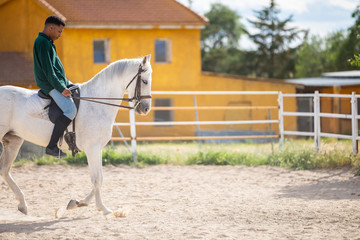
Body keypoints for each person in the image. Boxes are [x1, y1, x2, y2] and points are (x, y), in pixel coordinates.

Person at [33, 15, 77, 158]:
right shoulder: (42, 43)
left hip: (58, 81)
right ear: (50, 28)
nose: (60, 35)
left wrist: (65, 83)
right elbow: (48, 71)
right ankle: (51, 147)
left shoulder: (48, 42)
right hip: (49, 84)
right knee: (70, 110)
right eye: (59, 32)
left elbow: (55, 69)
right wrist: (60, 88)